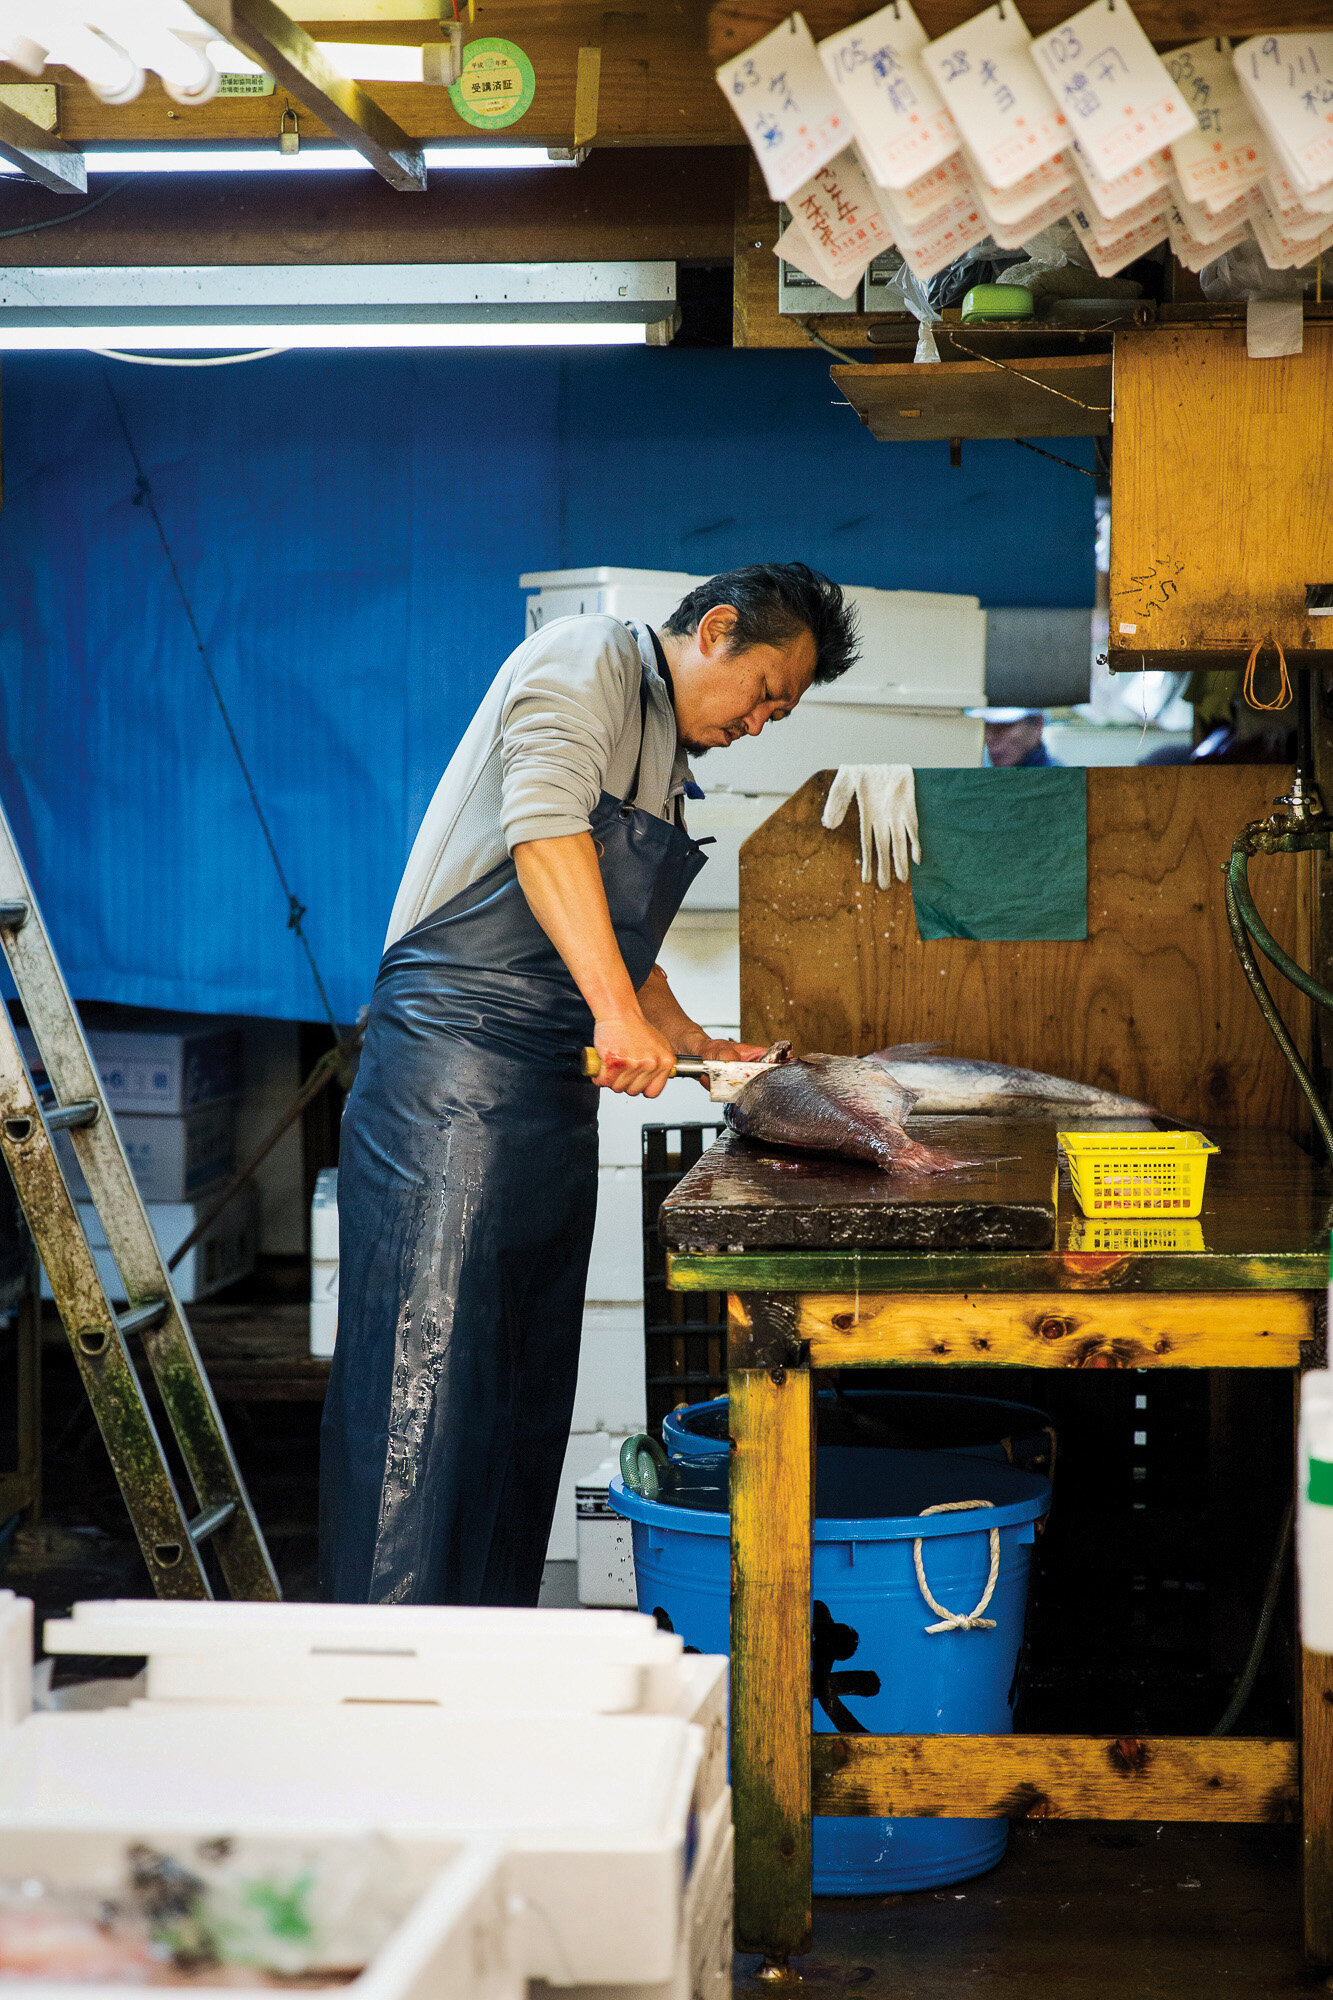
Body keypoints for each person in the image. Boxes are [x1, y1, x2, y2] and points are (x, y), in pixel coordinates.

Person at [319, 563, 859, 1606]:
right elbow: (544, 830)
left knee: (513, 1396)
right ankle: (383, 1679)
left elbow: (619, 937)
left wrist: (696, 1040)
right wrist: (615, 1015)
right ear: (713, 630)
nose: (759, 723)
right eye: (764, 694)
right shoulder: (588, 658)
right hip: (451, 1077)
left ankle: (486, 1665)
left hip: (537, 1094)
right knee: (420, 1401)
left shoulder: (661, 744)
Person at [974, 707, 1059, 768]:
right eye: (986, 726)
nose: (990, 737)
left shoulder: (1058, 783)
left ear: (1038, 724)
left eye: (1005, 726)